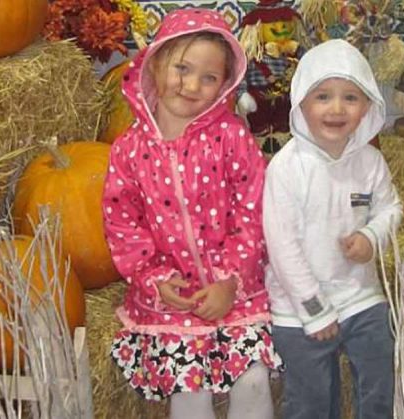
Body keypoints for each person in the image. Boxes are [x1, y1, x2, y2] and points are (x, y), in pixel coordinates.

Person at [102, 9, 282, 419]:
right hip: (171, 303)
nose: (191, 85)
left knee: (253, 380)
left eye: (209, 77)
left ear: (225, 85)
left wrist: (230, 282)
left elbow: (253, 212)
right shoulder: (128, 150)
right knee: (188, 390)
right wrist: (155, 280)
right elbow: (123, 224)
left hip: (236, 294)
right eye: (182, 68)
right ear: (157, 63)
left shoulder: (232, 136)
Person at [263, 39, 402, 419]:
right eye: (322, 96)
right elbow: (283, 248)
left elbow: (392, 208)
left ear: (368, 107)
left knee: (378, 369)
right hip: (299, 306)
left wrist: (372, 236)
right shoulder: (288, 168)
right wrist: (316, 310)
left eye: (351, 98)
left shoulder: (371, 162)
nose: (337, 109)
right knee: (311, 399)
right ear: (301, 104)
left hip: (359, 296)